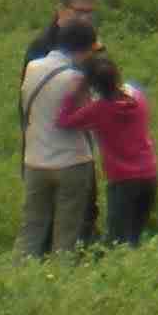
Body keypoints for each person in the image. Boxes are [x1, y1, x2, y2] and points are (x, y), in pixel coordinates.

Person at [56, 47, 158, 247]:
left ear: (92, 85)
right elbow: (130, 87)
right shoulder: (138, 97)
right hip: (149, 175)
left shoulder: (97, 110)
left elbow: (64, 121)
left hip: (122, 181)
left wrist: (75, 93)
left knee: (116, 242)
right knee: (134, 238)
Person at [16, 18, 99, 258]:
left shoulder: (32, 68)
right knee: (67, 234)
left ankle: (21, 275)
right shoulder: (75, 79)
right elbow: (90, 118)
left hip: (35, 162)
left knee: (31, 230)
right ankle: (62, 275)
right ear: (83, 49)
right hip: (71, 163)